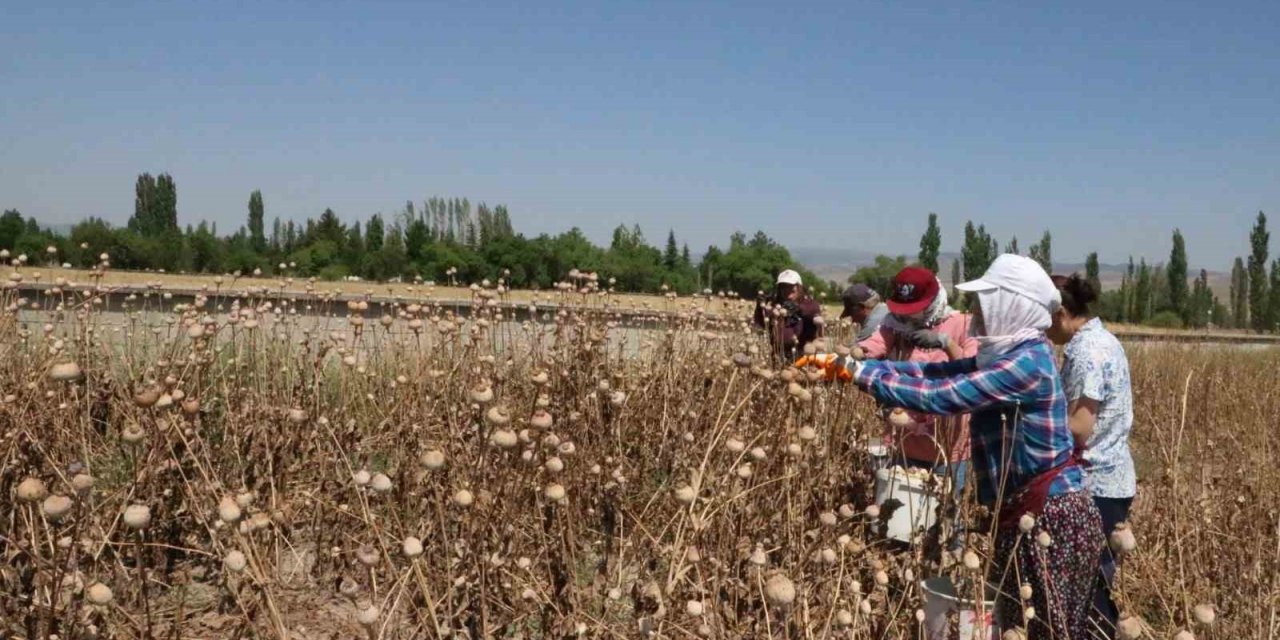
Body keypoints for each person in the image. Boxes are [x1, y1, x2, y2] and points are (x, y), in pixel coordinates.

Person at [844, 254, 1101, 640]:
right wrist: (859, 366)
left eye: (985, 303)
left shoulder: (1026, 363)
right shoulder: (1006, 354)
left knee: (1047, 629)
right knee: (1020, 623)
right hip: (1025, 510)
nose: (977, 312)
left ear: (1011, 307)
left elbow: (942, 396)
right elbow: (934, 371)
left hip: (1051, 517)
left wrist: (860, 375)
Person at [1047, 274, 1135, 640]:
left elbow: (1080, 427)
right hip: (1113, 478)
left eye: (1044, 319)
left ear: (1061, 313)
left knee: (1089, 591)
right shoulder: (1104, 339)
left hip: (1096, 482)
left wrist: (1035, 424)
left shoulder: (1086, 352)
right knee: (1097, 581)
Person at [859, 267, 977, 510]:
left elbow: (972, 371)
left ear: (933, 301)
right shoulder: (894, 324)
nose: (907, 316)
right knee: (896, 511)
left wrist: (946, 343)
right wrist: (855, 355)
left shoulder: (963, 324)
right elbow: (875, 344)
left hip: (946, 444)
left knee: (945, 513)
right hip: (903, 437)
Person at [753, 269, 821, 363]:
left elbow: (814, 312)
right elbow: (760, 324)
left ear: (799, 287)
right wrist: (760, 307)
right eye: (783, 286)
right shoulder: (775, 306)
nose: (787, 289)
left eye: (791, 286)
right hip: (778, 359)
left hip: (804, 359)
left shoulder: (809, 304)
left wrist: (798, 308)